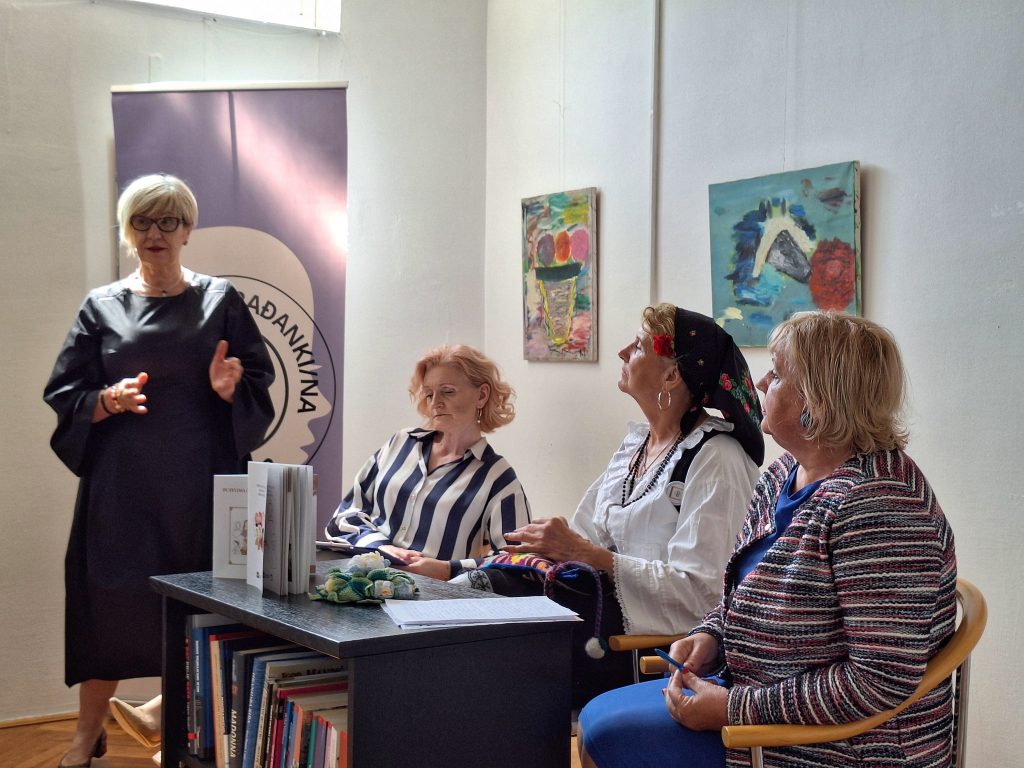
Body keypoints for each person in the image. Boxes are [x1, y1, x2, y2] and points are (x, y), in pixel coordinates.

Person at [578, 311, 957, 768]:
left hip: (838, 746)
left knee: (608, 735)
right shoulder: (784, 474)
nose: (759, 383)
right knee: (597, 719)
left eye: (776, 374)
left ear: (817, 401)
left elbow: (878, 682)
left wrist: (735, 709)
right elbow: (743, 592)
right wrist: (710, 634)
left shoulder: (882, 505)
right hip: (757, 701)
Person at [43, 173, 275, 768]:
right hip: (122, 488)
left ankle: (180, 732)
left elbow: (259, 383)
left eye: (169, 220)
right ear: (127, 232)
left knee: (203, 608)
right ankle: (86, 733)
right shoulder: (101, 305)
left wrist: (231, 388)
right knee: (107, 606)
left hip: (203, 486)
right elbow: (64, 391)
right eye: (142, 221)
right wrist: (106, 399)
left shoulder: (221, 300)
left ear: (188, 229)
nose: (156, 232)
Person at [466, 304, 765, 710]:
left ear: (672, 376)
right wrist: (549, 545)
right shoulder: (637, 447)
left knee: (489, 636)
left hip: (641, 650)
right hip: (595, 620)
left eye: (638, 346)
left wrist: (584, 552)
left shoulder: (717, 458)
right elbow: (583, 538)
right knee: (484, 592)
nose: (623, 352)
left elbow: (703, 595)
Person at [323, 344, 531, 580]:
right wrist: (380, 547)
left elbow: (520, 564)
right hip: (358, 585)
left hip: (429, 596)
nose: (435, 403)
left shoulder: (498, 477)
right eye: (430, 394)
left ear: (482, 395)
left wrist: (448, 569)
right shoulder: (400, 443)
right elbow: (344, 517)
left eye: (448, 391)